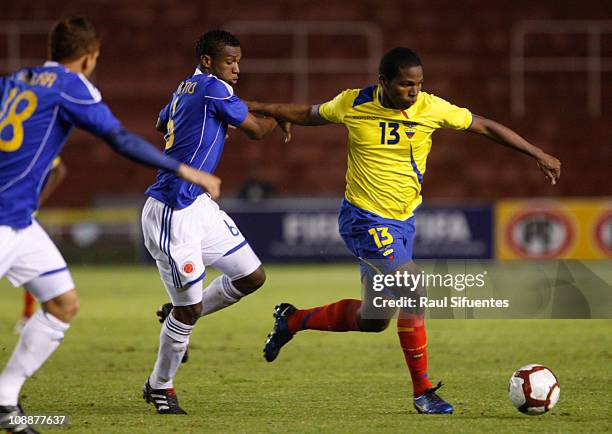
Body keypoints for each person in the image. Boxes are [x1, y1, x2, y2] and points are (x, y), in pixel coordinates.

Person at [248, 47, 561, 414]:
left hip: (402, 222)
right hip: (364, 219)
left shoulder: (431, 107)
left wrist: (537, 152)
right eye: (405, 85)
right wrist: (264, 107)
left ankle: (293, 320)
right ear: (383, 82)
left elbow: (485, 126)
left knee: (374, 319)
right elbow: (309, 113)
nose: (414, 92)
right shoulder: (353, 103)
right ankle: (423, 392)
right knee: (414, 287)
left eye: (418, 84)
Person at [0, 17, 220, 433]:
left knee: (62, 303)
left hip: (19, 221)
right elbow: (119, 138)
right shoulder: (73, 85)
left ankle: (5, 401)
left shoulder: (17, 79)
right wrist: (186, 171)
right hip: (3, 219)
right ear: (88, 58)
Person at [140, 29, 286, 415]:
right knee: (188, 313)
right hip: (173, 210)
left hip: (198, 205)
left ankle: (178, 312)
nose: (236, 68)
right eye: (229, 61)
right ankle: (159, 385)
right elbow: (257, 131)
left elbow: (160, 125)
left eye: (238, 61)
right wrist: (283, 115)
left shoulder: (186, 87)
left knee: (251, 277)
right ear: (208, 61)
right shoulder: (212, 88)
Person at [15, 157, 67, 334]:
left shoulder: (33, 143)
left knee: (33, 268)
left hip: (20, 216)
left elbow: (59, 170)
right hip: (10, 215)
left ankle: (28, 315)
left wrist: (39, 199)